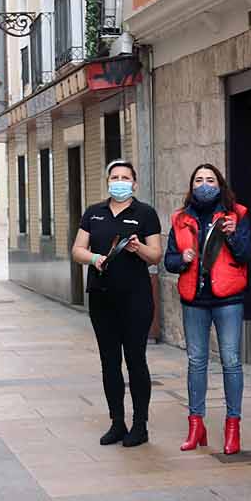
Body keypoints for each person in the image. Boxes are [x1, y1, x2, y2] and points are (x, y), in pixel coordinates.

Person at [71, 160, 164, 447]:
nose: (119, 182)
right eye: (115, 177)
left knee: (135, 360)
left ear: (134, 183)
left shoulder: (145, 213)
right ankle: (117, 422)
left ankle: (140, 425)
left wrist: (139, 248)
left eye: (125, 177)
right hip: (102, 297)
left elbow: (156, 255)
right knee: (109, 361)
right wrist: (94, 259)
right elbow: (77, 250)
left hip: (136, 299)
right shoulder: (93, 213)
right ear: (108, 181)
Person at [164, 163, 251, 455]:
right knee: (197, 362)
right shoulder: (179, 218)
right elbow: (169, 261)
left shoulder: (237, 214)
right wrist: (183, 259)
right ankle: (195, 424)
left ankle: (233, 428)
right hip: (194, 299)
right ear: (191, 186)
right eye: (199, 180)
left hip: (227, 298)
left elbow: (245, 255)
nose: (204, 185)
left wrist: (231, 234)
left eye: (210, 179)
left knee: (230, 361)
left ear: (220, 184)